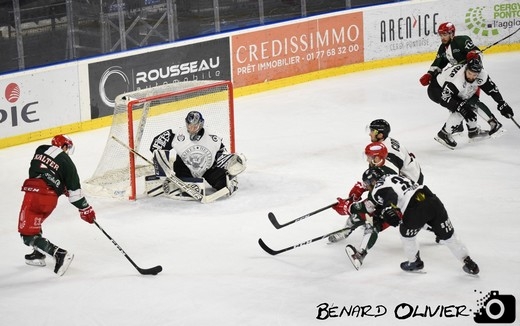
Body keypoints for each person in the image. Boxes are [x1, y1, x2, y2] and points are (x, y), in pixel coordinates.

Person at [346, 167, 479, 275]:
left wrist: (388, 208)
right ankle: (468, 262)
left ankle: (414, 262)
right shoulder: (393, 176)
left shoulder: (377, 189)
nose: (367, 187)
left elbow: (388, 195)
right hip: (432, 200)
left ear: (372, 182)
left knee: (406, 235)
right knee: (449, 236)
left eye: (367, 184)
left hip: (414, 209)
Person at [328, 119, 423, 243]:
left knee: (380, 206)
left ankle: (356, 225)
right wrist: (361, 187)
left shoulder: (386, 158)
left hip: (410, 187)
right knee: (375, 199)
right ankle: (352, 225)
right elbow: (377, 176)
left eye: (372, 131)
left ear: (380, 134)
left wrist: (353, 207)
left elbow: (386, 184)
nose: (369, 134)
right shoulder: (383, 146)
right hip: (412, 176)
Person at [18, 134, 96, 276]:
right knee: (36, 223)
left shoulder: (40, 149)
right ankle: (38, 253)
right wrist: (85, 209)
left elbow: (39, 170)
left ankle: (59, 254)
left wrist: (59, 183)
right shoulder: (69, 164)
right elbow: (75, 195)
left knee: (27, 235)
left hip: (35, 194)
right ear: (64, 146)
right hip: (50, 200)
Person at [419, 21, 502, 137]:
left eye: (445, 34)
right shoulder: (443, 48)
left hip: (472, 77)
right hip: (459, 79)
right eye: (441, 35)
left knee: (472, 102)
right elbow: (438, 63)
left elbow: (477, 53)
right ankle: (464, 128)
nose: (442, 37)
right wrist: (430, 74)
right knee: (458, 101)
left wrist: (474, 55)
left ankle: (472, 129)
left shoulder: (461, 40)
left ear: (452, 33)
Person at [148, 110, 246, 200]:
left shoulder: (213, 137)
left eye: (194, 126)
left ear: (201, 124)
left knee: (224, 185)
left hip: (208, 168)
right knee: (188, 185)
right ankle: (178, 183)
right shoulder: (176, 134)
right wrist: (161, 162)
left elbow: (221, 154)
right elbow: (156, 144)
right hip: (185, 168)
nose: (191, 129)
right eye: (189, 126)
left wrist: (230, 162)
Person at [428, 57, 514, 149]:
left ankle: (476, 130)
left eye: (475, 75)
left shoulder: (482, 75)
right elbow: (445, 98)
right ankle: (444, 134)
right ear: (465, 69)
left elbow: (492, 90)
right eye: (469, 73)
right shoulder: (457, 80)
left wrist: (501, 103)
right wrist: (461, 107)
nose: (471, 77)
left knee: (472, 102)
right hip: (437, 90)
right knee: (462, 109)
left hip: (455, 90)